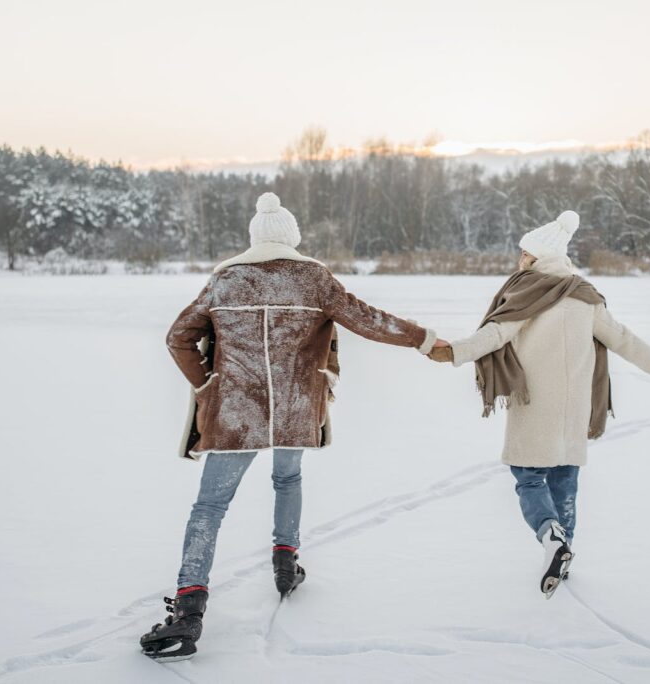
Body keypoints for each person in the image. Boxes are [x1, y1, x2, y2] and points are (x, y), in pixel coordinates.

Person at [141, 192, 446, 661]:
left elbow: (177, 337)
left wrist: (210, 385)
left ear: (254, 238)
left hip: (236, 412)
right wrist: (423, 339)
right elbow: (368, 321)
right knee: (288, 478)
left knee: (209, 507)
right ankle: (286, 561)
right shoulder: (313, 279)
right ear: (292, 238)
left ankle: (188, 608)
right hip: (295, 407)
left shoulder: (226, 279)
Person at [429, 210, 650, 598]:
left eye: (523, 252)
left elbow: (495, 334)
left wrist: (454, 351)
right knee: (565, 483)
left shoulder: (527, 293)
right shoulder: (585, 297)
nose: (519, 258)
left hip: (535, 403)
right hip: (575, 407)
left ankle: (550, 535)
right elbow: (620, 337)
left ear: (536, 257)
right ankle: (564, 554)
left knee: (527, 477)